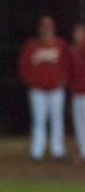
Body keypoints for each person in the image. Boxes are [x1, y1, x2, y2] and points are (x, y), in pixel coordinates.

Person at [17, 14, 70, 161]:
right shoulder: (31, 45)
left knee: (57, 119)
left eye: (49, 27)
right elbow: (23, 65)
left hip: (56, 89)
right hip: (37, 90)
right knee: (38, 120)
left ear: (53, 28)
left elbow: (67, 64)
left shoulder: (60, 44)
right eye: (44, 27)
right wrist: (29, 81)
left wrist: (64, 79)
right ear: (39, 29)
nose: (46, 30)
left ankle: (57, 151)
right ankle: (37, 151)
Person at [68, 23, 85, 161]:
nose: (78, 35)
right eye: (76, 32)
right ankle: (83, 152)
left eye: (80, 32)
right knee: (79, 125)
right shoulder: (72, 50)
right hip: (77, 93)